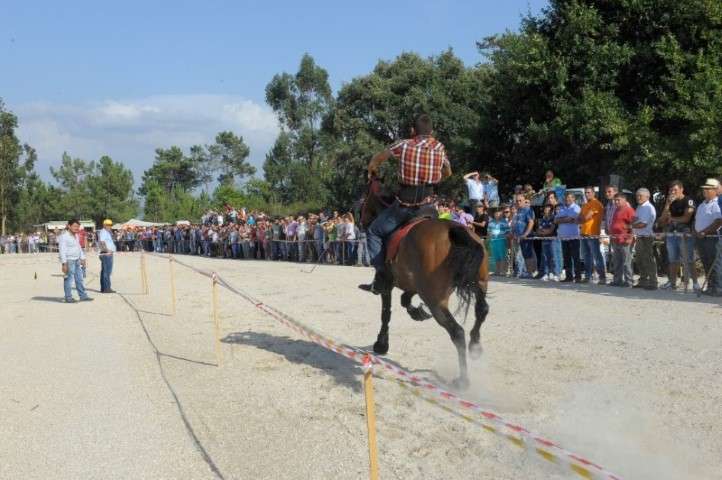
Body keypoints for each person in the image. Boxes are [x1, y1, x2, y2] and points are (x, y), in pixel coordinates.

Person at [360, 114, 451, 293]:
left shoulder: (403, 144)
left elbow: (376, 160)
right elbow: (448, 171)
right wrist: (436, 178)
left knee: (374, 231)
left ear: (412, 131)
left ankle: (381, 276)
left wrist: (372, 171)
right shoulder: (440, 148)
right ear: (431, 132)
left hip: (404, 207)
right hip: (429, 207)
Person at [658, 180, 699, 291]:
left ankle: (695, 284)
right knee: (672, 260)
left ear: (681, 189)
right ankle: (672, 283)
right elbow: (662, 220)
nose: (673, 192)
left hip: (685, 235)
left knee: (689, 260)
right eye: (671, 190)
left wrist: (672, 219)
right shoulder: (670, 202)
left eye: (675, 190)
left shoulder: (688, 200)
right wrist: (667, 204)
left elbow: (686, 218)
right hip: (672, 235)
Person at [694, 178, 722, 296]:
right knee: (706, 262)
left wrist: (704, 232)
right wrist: (695, 231)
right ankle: (710, 286)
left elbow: (718, 221)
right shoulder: (701, 205)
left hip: (712, 237)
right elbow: (697, 220)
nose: (705, 191)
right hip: (701, 238)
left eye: (707, 189)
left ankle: (718, 287)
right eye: (704, 189)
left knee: (715, 264)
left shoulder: (716, 204)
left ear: (714, 190)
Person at [58, 219, 93, 303]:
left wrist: (83, 258)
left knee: (79, 279)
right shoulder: (64, 236)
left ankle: (83, 296)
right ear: (69, 226)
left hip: (77, 259)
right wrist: (64, 263)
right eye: (74, 226)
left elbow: (78, 247)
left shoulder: (76, 235)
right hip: (69, 261)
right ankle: (68, 297)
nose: (76, 228)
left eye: (77, 226)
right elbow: (62, 250)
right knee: (69, 280)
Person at [578, 187, 606, 284]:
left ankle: (602, 277)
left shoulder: (597, 204)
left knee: (597, 256)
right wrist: (580, 219)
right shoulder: (585, 205)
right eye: (586, 193)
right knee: (586, 257)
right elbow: (579, 218)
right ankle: (587, 277)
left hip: (593, 233)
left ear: (594, 193)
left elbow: (585, 217)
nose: (587, 194)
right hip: (583, 233)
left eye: (589, 192)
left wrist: (580, 219)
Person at [632, 188, 658, 290]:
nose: (638, 197)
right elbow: (635, 220)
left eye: (640, 195)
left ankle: (653, 282)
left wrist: (630, 226)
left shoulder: (648, 207)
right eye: (637, 195)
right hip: (639, 236)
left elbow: (643, 224)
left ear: (647, 196)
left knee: (648, 259)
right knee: (639, 259)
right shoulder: (639, 207)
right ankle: (643, 280)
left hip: (646, 237)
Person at [609, 193, 635, 287]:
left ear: (624, 200)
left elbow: (633, 225)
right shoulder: (616, 210)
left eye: (618, 200)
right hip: (616, 240)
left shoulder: (629, 210)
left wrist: (630, 237)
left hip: (625, 240)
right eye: (615, 200)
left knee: (626, 262)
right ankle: (617, 280)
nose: (616, 202)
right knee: (617, 261)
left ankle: (629, 281)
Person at [555, 192, 582, 282]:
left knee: (575, 257)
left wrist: (562, 219)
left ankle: (578, 277)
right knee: (566, 257)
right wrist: (564, 219)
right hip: (564, 237)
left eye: (570, 198)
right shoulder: (562, 208)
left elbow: (571, 219)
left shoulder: (576, 207)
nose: (568, 199)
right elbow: (555, 220)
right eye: (566, 198)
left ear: (574, 199)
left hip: (574, 237)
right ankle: (569, 276)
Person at [511, 194, 536, 278]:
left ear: (524, 200)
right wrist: (514, 233)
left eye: (520, 200)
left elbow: (531, 222)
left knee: (528, 255)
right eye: (517, 201)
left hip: (526, 236)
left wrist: (525, 234)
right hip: (517, 237)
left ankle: (529, 273)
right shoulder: (517, 211)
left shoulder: (528, 210)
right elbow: (515, 224)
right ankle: (523, 272)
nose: (518, 202)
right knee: (520, 256)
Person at [537, 204, 560, 281]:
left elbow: (551, 229)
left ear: (551, 210)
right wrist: (543, 232)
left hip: (552, 240)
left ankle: (556, 274)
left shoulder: (554, 218)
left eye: (549, 209)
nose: (547, 210)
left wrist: (544, 232)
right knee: (545, 257)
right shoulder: (543, 219)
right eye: (546, 209)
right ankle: (546, 273)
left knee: (554, 257)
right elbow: (538, 230)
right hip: (544, 240)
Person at [488, 208, 510, 276]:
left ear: (501, 214)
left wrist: (504, 237)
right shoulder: (491, 222)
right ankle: (497, 271)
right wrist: (490, 234)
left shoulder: (504, 222)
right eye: (496, 213)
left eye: (499, 213)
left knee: (502, 256)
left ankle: (503, 271)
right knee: (496, 256)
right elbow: (488, 231)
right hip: (493, 241)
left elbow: (508, 232)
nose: (497, 215)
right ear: (494, 214)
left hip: (502, 241)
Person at [98, 219, 117, 293]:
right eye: (108, 225)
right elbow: (102, 242)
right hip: (106, 254)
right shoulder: (103, 232)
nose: (110, 226)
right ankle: (107, 288)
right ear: (104, 225)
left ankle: (104, 288)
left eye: (110, 225)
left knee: (104, 271)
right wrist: (107, 250)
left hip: (106, 254)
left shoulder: (106, 232)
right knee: (107, 272)